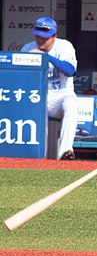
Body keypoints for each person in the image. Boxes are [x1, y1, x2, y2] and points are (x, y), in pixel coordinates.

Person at [21, 16, 78, 160]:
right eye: (38, 36)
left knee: (71, 102)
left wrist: (46, 57)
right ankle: (35, 156)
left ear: (54, 36)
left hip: (61, 95)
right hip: (38, 96)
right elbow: (21, 78)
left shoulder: (64, 46)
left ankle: (66, 152)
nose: (40, 40)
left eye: (44, 37)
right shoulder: (28, 48)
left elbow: (70, 70)